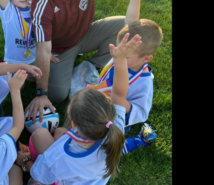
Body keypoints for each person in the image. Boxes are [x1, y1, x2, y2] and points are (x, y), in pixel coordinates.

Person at [26, 0, 172, 124]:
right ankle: (55, 70)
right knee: (57, 94)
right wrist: (40, 93)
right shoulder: (42, 2)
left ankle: (95, 67)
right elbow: (44, 49)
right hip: (60, 48)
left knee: (124, 27)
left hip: (85, 34)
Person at [19, 32, 145, 185]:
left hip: (61, 178)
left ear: (73, 124)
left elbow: (39, 174)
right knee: (59, 132)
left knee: (39, 135)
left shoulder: (59, 155)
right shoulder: (114, 128)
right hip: (88, 176)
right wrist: (120, 60)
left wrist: (25, 162)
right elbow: (119, 94)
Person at [86, 0, 163, 136]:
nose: (118, 54)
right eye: (119, 47)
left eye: (126, 56)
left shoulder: (143, 82)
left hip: (114, 115)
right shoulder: (125, 51)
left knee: (95, 133)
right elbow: (130, 23)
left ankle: (134, 142)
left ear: (147, 58)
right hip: (102, 95)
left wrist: (120, 101)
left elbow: (141, 112)